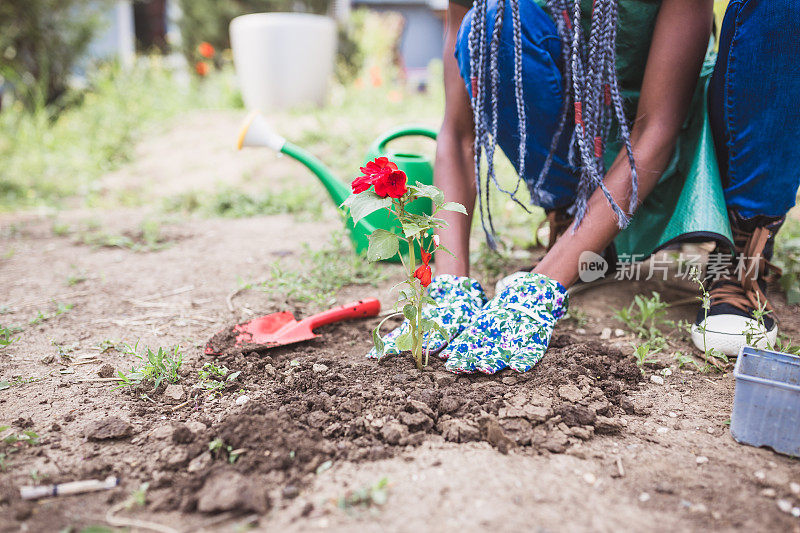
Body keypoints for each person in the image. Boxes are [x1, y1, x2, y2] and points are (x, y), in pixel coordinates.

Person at [371, 0, 798, 372]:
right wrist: (448, 286)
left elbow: (656, 132)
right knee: (491, 21)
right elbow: (457, 134)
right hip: (578, 138)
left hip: (684, 131)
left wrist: (537, 292)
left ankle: (745, 249)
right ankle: (578, 229)